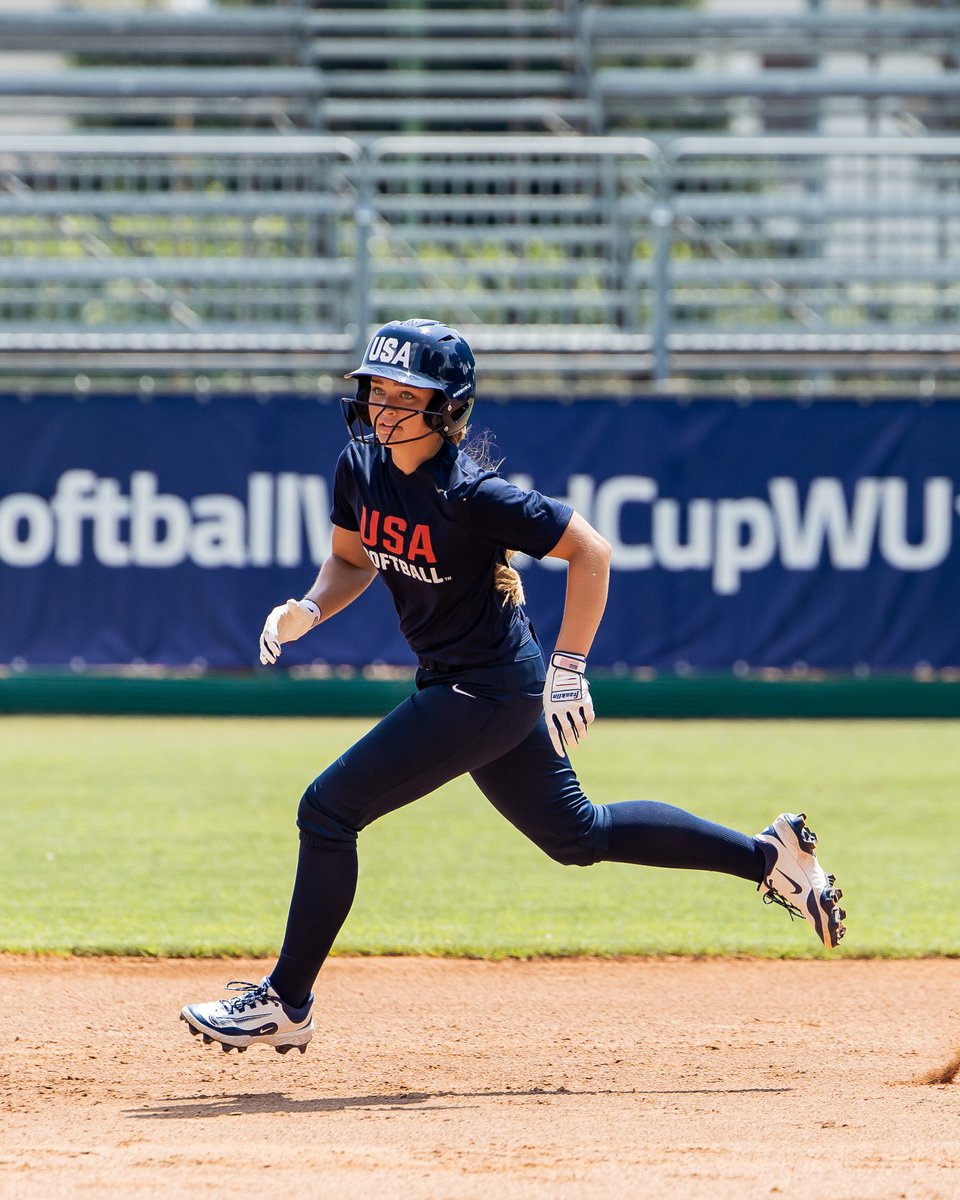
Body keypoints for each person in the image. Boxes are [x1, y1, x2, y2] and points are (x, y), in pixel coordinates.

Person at [180, 318, 846, 1056]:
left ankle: (287, 1002)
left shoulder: (472, 494)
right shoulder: (357, 466)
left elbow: (591, 551)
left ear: (448, 409)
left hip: (488, 691)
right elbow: (352, 558)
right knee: (577, 834)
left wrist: (569, 669)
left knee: (328, 810)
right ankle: (771, 858)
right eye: (377, 390)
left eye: (408, 395)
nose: (384, 408)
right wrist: (308, 607)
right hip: (466, 683)